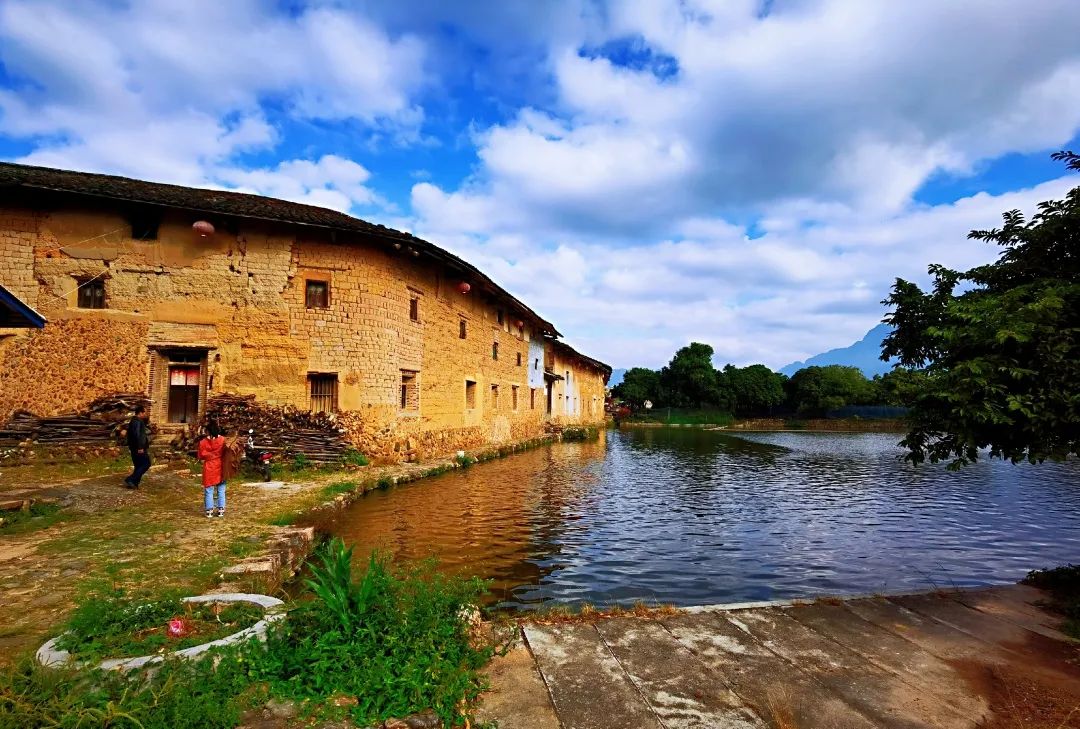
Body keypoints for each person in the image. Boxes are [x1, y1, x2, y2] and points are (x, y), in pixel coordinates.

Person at [197, 420, 227, 518]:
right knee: (221, 490)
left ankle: (209, 511)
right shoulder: (223, 440)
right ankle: (221, 510)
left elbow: (200, 456)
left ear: (208, 431)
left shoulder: (203, 442)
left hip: (209, 467)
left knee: (209, 490)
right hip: (221, 466)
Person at [124, 405, 151, 489]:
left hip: (134, 447)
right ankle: (131, 479)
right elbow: (138, 435)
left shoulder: (133, 421)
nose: (146, 414)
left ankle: (134, 483)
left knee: (138, 465)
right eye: (144, 412)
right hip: (138, 448)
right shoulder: (138, 422)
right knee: (146, 463)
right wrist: (140, 447)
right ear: (140, 413)